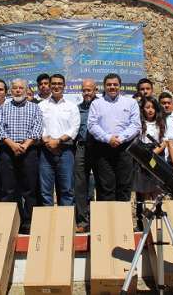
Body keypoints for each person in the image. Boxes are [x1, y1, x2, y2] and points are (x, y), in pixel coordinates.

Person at [0, 79, 44, 233]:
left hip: (28, 151)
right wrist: (12, 145)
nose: (17, 90)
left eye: (20, 88)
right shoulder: (3, 108)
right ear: (10, 90)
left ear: (26, 90)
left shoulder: (35, 108)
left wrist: (25, 145)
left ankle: (29, 223)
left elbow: (37, 129)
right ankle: (9, 223)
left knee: (29, 189)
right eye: (15, 88)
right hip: (7, 152)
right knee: (9, 189)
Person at [87, 73, 141, 202]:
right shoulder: (96, 104)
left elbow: (136, 125)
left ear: (120, 86)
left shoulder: (131, 102)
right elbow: (92, 125)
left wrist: (120, 138)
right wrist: (108, 138)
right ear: (104, 86)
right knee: (105, 187)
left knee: (124, 186)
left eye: (115, 84)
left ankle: (122, 220)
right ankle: (107, 220)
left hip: (124, 149)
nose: (112, 87)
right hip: (103, 149)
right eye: (109, 85)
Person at [38, 74, 80, 207]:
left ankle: (65, 225)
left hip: (66, 151)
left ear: (64, 86)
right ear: (49, 86)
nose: (56, 86)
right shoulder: (41, 106)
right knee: (45, 191)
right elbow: (38, 125)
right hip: (45, 152)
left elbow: (74, 127)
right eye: (54, 83)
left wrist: (58, 141)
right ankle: (47, 226)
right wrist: (47, 140)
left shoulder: (72, 106)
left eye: (59, 84)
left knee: (67, 190)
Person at [134, 96, 168, 229]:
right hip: (142, 157)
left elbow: (164, 141)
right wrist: (144, 156)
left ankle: (157, 222)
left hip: (156, 156)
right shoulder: (139, 124)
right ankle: (145, 222)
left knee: (157, 189)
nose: (150, 110)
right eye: (147, 107)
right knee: (144, 190)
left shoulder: (161, 123)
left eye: (152, 107)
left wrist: (153, 153)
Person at [75, 79, 97, 232]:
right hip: (81, 148)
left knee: (101, 184)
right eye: (84, 90)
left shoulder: (102, 106)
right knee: (80, 185)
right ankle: (82, 221)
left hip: (99, 148)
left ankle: (99, 219)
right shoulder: (77, 109)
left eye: (89, 90)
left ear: (95, 90)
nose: (87, 93)